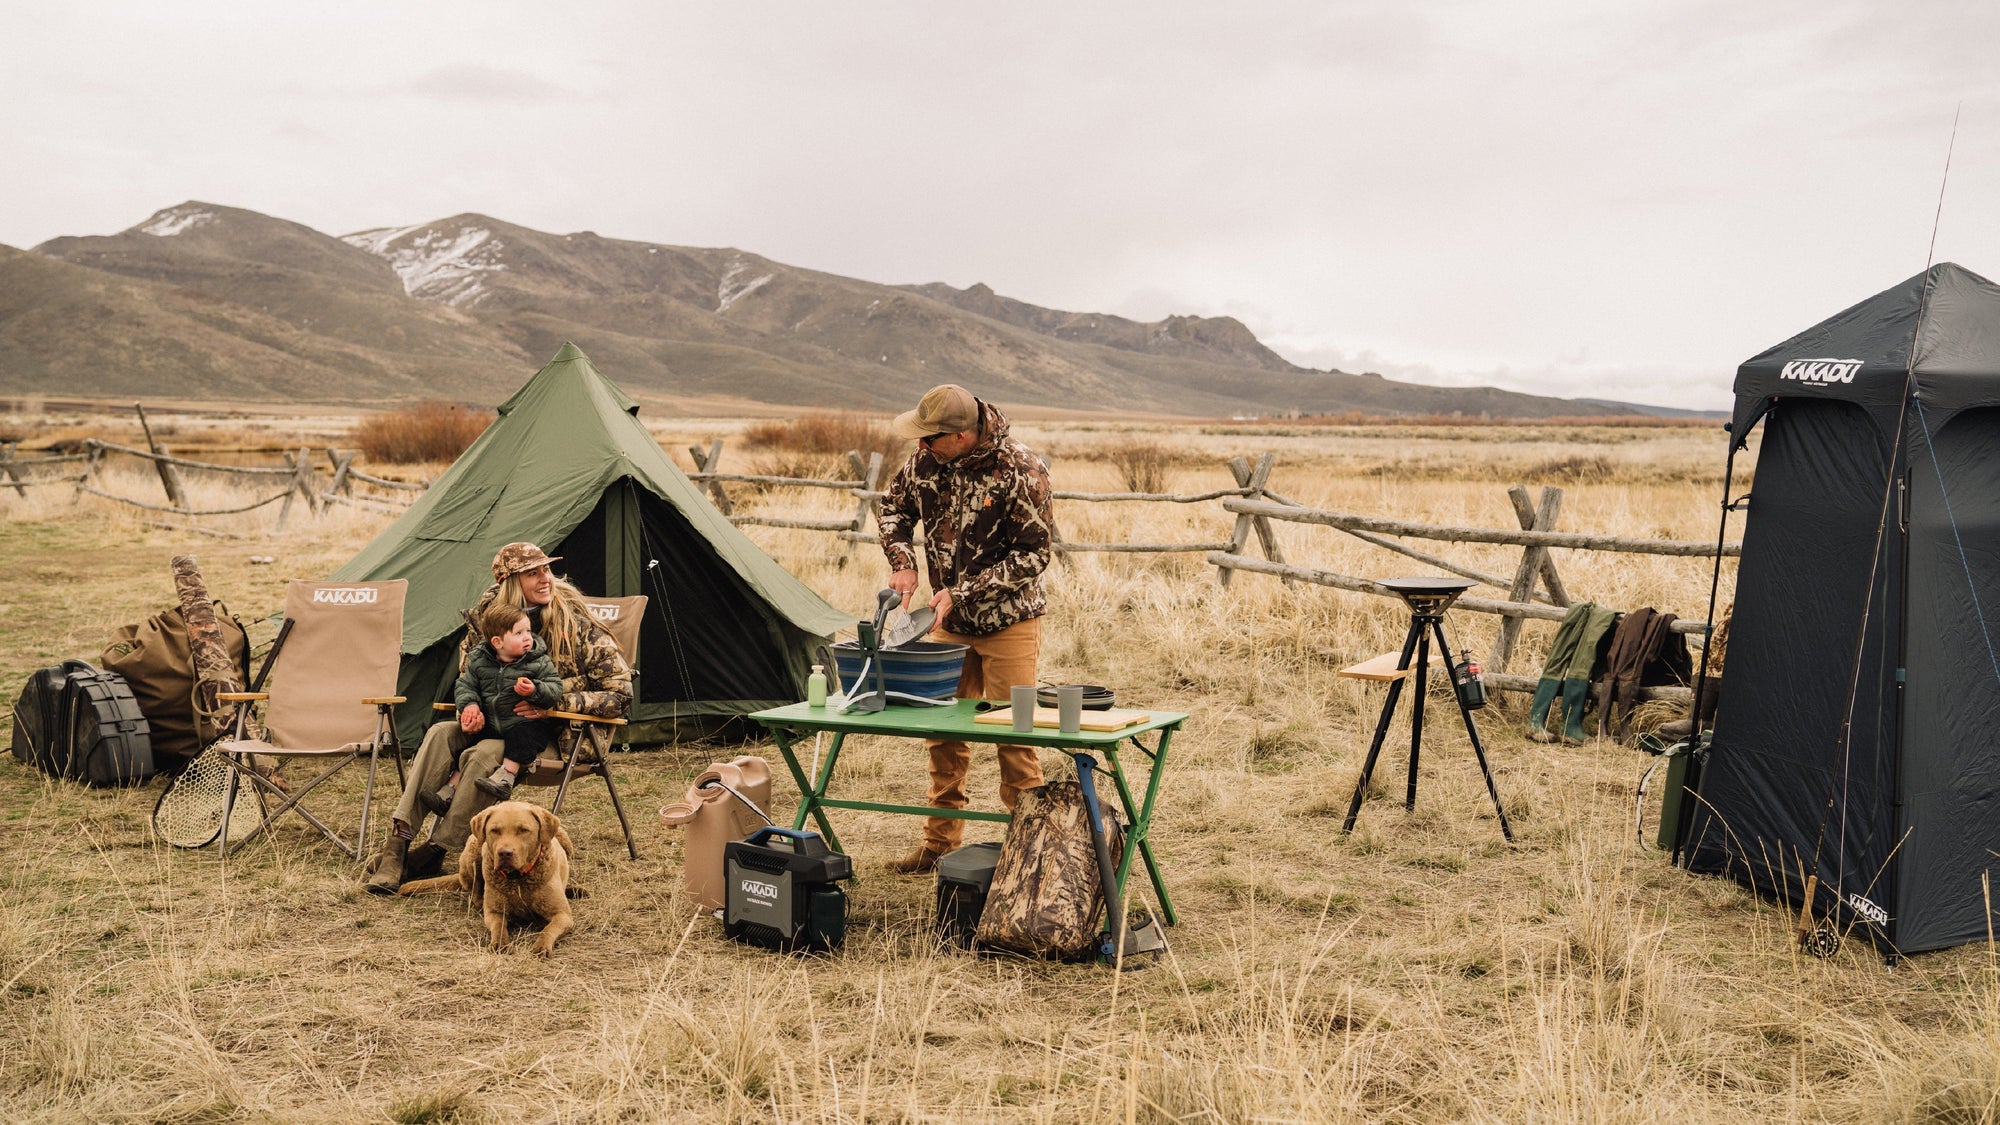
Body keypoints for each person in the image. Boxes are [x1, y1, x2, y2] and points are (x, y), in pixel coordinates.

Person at [364, 542, 631, 894]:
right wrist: (469, 707)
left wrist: (552, 704)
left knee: (484, 753)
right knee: (441, 733)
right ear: (509, 583)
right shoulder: (487, 624)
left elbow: (620, 694)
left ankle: (436, 850)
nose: (545, 578)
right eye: (532, 573)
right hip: (495, 725)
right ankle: (398, 845)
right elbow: (468, 678)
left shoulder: (577, 626)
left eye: (546, 570)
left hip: (557, 737)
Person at [877, 383, 1056, 874]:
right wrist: (903, 561)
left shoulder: (1022, 469)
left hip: (1010, 623)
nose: (920, 447)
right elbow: (892, 509)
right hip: (947, 623)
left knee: (1016, 737)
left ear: (960, 435)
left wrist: (963, 591)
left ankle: (1030, 858)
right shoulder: (924, 463)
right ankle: (939, 845)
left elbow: (1034, 555)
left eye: (929, 438)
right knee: (942, 736)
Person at [453, 603, 565, 800]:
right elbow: (465, 685)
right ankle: (450, 788)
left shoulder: (537, 661)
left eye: (528, 631)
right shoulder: (480, 660)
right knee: (467, 749)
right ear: (497, 642)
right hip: (492, 725)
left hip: (527, 724)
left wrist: (534, 690)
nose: (527, 637)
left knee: (521, 736)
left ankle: (505, 778)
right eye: (519, 633)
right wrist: (470, 705)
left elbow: (555, 688)